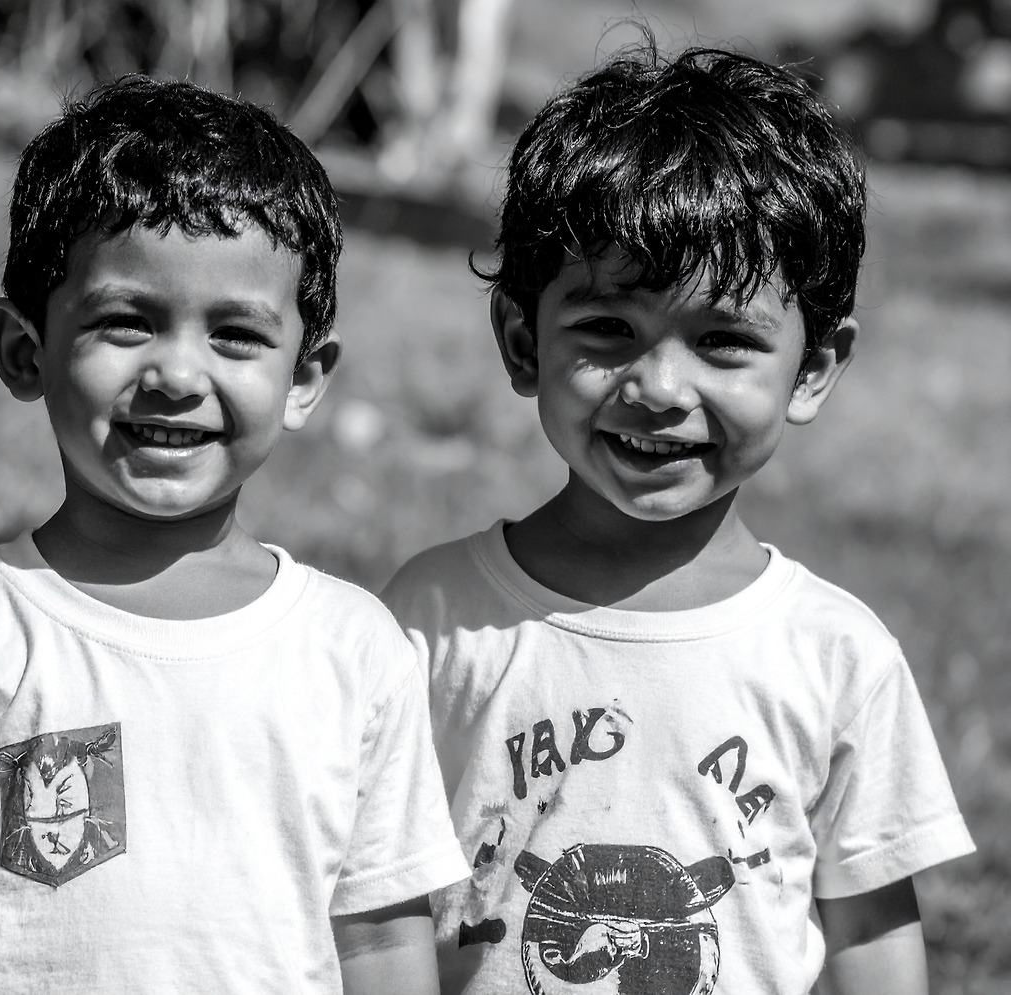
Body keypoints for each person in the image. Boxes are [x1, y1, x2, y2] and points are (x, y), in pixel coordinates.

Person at [0, 76, 469, 995]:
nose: (177, 373)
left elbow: (379, 940)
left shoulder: (354, 653)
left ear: (305, 376)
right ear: (25, 351)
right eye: (126, 322)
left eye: (235, 335)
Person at [381, 45, 975, 995]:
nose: (659, 388)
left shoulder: (835, 656)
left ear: (813, 368)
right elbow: (373, 910)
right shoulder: (431, 618)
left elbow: (870, 933)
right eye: (609, 329)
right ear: (522, 340)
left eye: (724, 341)